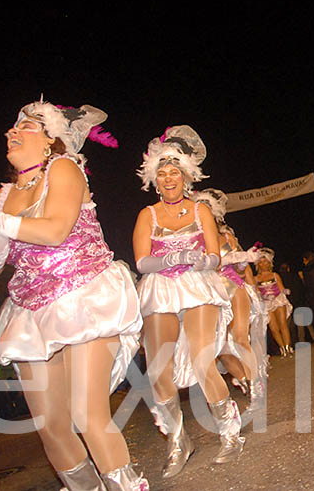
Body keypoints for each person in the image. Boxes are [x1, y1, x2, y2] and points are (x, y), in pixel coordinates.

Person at [0, 100, 147, 490]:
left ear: (51, 140)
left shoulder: (65, 169)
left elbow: (54, 232)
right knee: (52, 427)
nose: (11, 132)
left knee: (87, 413)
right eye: (11, 128)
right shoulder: (3, 196)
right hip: (30, 310)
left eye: (26, 127)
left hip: (85, 296)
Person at [133, 126, 242, 477]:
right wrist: (167, 261)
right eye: (162, 174)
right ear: (154, 179)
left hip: (196, 287)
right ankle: (178, 441)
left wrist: (201, 260)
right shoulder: (147, 215)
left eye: (174, 173)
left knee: (201, 358)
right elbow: (140, 261)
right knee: (158, 370)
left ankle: (229, 432)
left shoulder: (200, 212)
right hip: (160, 289)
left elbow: (215, 255)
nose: (168, 179)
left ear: (185, 177)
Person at [191, 188, 267, 415]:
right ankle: (246, 381)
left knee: (240, 338)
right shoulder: (194, 241)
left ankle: (256, 391)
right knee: (220, 348)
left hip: (234, 288)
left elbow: (241, 272)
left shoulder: (227, 237)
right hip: (212, 293)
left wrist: (243, 263)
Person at [254, 248, 294, 356]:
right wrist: (263, 297)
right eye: (261, 262)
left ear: (269, 263)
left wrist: (285, 291)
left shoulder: (275, 275)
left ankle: (288, 346)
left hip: (278, 300)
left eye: (265, 261)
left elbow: (281, 288)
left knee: (283, 324)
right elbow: (256, 293)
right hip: (266, 303)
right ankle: (282, 348)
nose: (263, 264)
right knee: (273, 327)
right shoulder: (256, 278)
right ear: (258, 264)